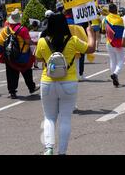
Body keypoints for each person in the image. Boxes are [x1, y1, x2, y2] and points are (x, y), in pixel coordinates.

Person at [35, 13, 95, 155]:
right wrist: (90, 33)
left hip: (48, 82)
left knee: (49, 117)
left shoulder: (42, 41)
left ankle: (49, 148)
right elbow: (91, 49)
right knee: (65, 118)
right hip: (68, 83)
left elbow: (37, 58)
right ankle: (62, 152)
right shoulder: (72, 40)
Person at [0, 9, 39, 99]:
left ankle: (12, 92)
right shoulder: (23, 29)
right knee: (27, 71)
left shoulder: (5, 30)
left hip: (10, 56)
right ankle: (31, 88)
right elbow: (28, 42)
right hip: (23, 56)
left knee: (11, 73)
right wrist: (36, 42)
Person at [103, 4, 125, 87]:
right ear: (116, 10)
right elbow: (122, 32)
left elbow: (103, 30)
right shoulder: (119, 19)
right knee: (121, 60)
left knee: (112, 60)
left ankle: (115, 79)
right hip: (117, 43)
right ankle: (115, 74)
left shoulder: (106, 18)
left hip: (109, 42)